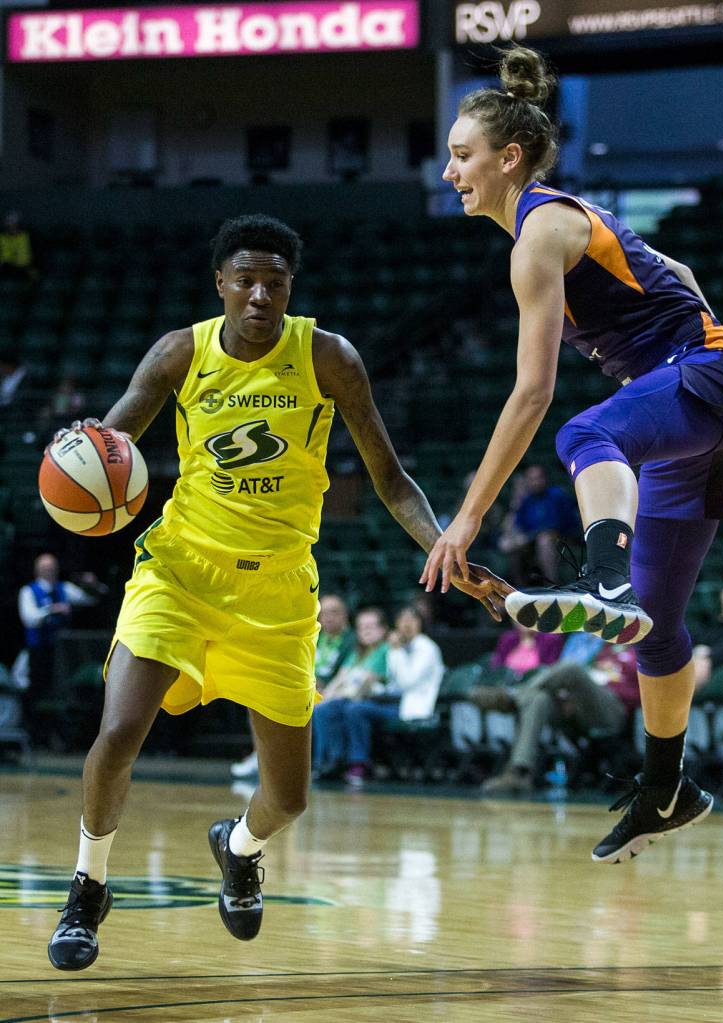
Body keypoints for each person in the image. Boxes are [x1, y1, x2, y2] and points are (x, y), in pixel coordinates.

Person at [46, 214, 508, 972]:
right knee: (120, 730)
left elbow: (390, 479)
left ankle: (238, 845)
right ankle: (88, 886)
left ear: (290, 289)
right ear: (220, 284)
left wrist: (447, 548)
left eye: (276, 281)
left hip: (279, 591)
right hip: (180, 571)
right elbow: (110, 445)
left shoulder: (329, 358)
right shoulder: (178, 353)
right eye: (246, 279)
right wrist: (77, 451)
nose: (261, 293)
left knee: (287, 797)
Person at [420, 46, 723, 864]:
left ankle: (602, 575)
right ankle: (667, 787)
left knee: (585, 434)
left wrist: (466, 519)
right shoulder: (559, 219)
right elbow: (680, 268)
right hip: (708, 387)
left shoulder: (539, 230)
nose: (450, 170)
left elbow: (532, 393)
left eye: (460, 154)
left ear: (507, 157)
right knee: (655, 631)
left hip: (705, 374)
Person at [481, 637, 639, 795]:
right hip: (581, 708)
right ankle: (519, 772)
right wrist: (568, 697)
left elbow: (640, 695)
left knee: (572, 668)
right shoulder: (604, 649)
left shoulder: (641, 651)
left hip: (614, 711)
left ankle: (514, 695)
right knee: (539, 698)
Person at [230, 591, 354, 778]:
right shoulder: (316, 635)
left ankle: (283, 763)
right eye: (324, 612)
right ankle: (262, 757)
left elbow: (348, 673)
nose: (328, 617)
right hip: (305, 687)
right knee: (259, 699)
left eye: (334, 612)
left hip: (330, 693)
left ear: (345, 615)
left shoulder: (351, 641)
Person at [336, 606, 445, 787]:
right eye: (402, 620)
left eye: (411, 620)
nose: (406, 624)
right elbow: (393, 682)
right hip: (396, 703)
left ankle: (359, 763)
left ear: (421, 623)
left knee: (356, 710)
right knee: (352, 706)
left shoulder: (425, 647)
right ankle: (350, 762)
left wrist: (395, 650)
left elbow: (407, 682)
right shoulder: (404, 647)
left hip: (415, 708)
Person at [17, 554, 106, 747]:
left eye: (52, 568)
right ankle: (35, 739)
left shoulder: (63, 589)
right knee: (37, 694)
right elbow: (30, 617)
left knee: (60, 694)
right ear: (37, 570)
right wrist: (53, 609)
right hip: (38, 652)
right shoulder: (28, 591)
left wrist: (91, 584)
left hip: (61, 655)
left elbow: (91, 599)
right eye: (45, 568)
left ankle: (59, 739)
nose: (50, 571)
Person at [311, 606, 389, 782]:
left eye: (371, 626)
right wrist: (324, 697)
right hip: (348, 697)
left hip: (377, 700)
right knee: (321, 709)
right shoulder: (356, 653)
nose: (366, 631)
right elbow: (340, 678)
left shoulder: (384, 650)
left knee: (350, 709)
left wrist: (335, 696)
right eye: (362, 627)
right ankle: (327, 761)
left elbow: (365, 682)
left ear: (383, 629)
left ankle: (356, 763)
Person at [497, 463, 577, 584]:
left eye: (538, 478)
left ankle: (552, 585)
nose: (536, 482)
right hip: (532, 538)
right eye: (532, 479)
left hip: (558, 536)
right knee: (511, 545)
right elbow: (518, 526)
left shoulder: (557, 495)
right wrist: (516, 503)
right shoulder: (525, 500)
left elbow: (568, 521)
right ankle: (518, 589)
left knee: (544, 540)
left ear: (545, 478)